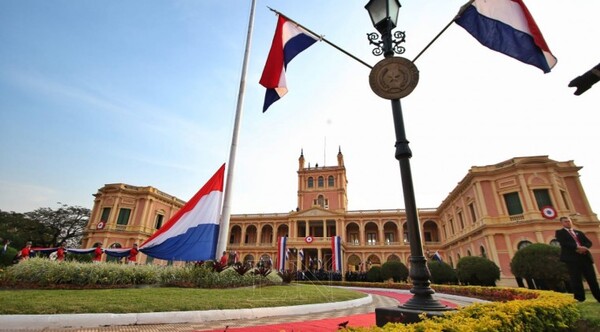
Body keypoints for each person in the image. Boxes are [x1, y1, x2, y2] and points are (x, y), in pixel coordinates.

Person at [555, 216, 600, 302]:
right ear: (562, 223)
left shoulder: (578, 232)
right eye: (565, 221)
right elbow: (564, 243)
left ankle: (598, 296)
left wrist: (584, 247)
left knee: (592, 279)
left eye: (569, 221)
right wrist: (577, 247)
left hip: (585, 258)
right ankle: (580, 298)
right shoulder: (560, 232)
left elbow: (589, 242)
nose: (568, 223)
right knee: (576, 279)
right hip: (572, 259)